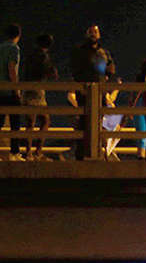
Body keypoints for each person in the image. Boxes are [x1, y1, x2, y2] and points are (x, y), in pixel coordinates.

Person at [69, 25, 114, 160]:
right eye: (91, 32)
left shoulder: (104, 52)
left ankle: (98, 153)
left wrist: (106, 74)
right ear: (86, 34)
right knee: (84, 123)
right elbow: (75, 70)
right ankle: (81, 154)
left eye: (96, 32)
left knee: (99, 123)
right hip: (84, 92)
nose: (93, 34)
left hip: (100, 93)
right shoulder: (80, 51)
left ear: (99, 35)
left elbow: (111, 68)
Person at [0, 24, 24, 161]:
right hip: (9, 90)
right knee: (15, 123)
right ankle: (14, 153)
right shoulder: (14, 48)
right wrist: (16, 89)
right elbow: (12, 68)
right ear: (19, 34)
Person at [20, 34, 58, 161]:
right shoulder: (43, 57)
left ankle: (29, 152)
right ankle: (37, 152)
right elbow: (50, 72)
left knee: (30, 122)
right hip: (37, 90)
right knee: (45, 120)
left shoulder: (30, 56)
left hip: (27, 88)